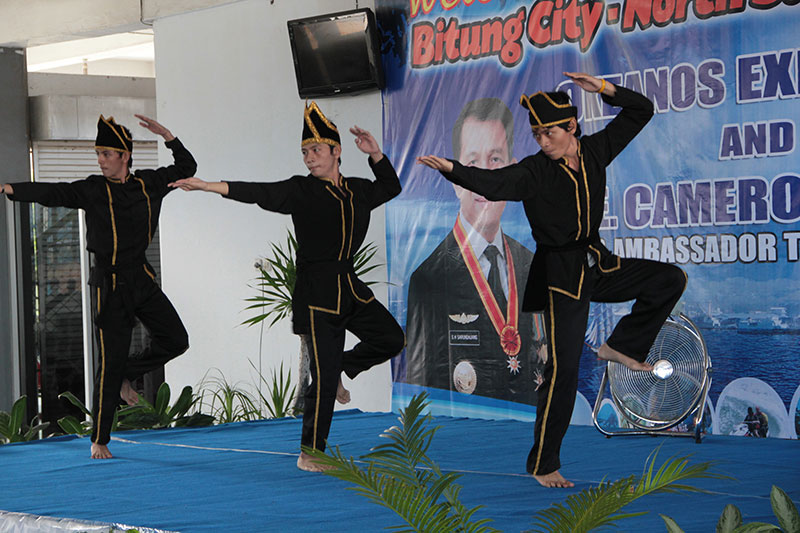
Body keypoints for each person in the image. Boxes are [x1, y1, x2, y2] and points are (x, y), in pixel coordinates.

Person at [417, 72, 687, 488]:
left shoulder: (595, 151)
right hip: (561, 277)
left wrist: (604, 90)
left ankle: (620, 345)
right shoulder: (533, 172)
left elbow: (642, 110)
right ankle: (544, 463)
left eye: (550, 132)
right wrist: (453, 169)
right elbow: (493, 182)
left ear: (572, 127)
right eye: (537, 134)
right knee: (562, 370)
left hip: (598, 263)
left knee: (669, 278)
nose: (543, 141)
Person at [170, 101, 405, 472]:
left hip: (350, 287)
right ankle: (310, 453)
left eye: (315, 150)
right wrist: (207, 187)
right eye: (304, 152)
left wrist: (375, 154)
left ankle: (341, 367)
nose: (309, 158)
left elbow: (391, 186)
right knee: (323, 379)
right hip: (316, 296)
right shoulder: (301, 191)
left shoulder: (359, 191)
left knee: (392, 338)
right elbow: (258, 191)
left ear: (336, 151)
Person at [1, 114, 196, 459]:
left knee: (176, 340)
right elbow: (54, 192)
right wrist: (11, 189)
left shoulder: (149, 183)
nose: (101, 160)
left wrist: (166, 134)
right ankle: (100, 439)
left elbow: (187, 165)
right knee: (110, 360)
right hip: (110, 284)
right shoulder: (93, 189)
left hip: (142, 278)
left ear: (125, 155)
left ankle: (125, 375)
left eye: (107, 154)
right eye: (98, 154)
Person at [405, 98, 547, 403]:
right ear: (456, 180)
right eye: (471, 166)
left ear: (512, 171)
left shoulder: (533, 264)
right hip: (465, 434)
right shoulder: (428, 279)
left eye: (495, 161)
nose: (486, 180)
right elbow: (419, 395)